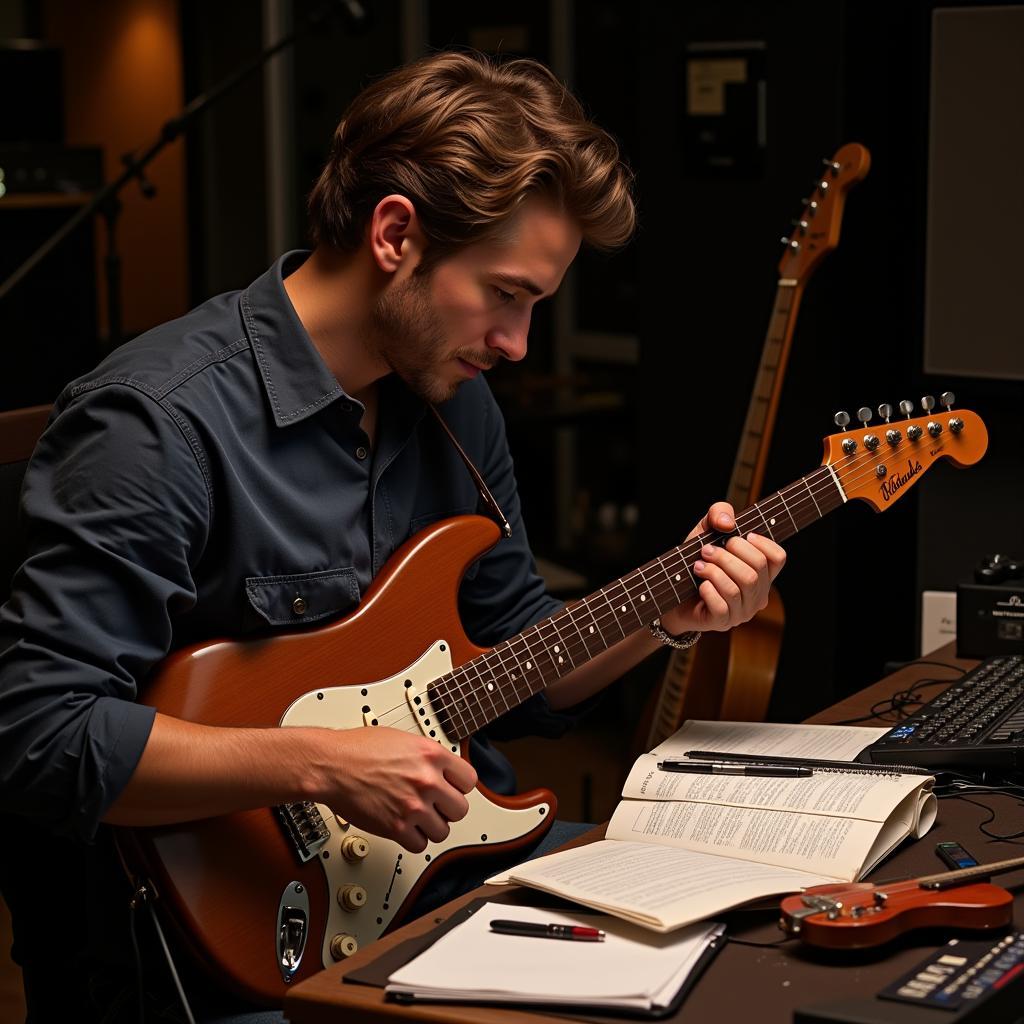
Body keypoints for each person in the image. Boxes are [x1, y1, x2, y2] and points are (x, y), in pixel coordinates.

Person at [0, 51, 785, 1022]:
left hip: (448, 878)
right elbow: (39, 737)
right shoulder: (158, 423)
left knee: (739, 952)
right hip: (238, 945)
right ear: (395, 233)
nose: (517, 343)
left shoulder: (457, 407)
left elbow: (515, 659)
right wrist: (320, 761)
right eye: (506, 293)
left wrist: (662, 617)